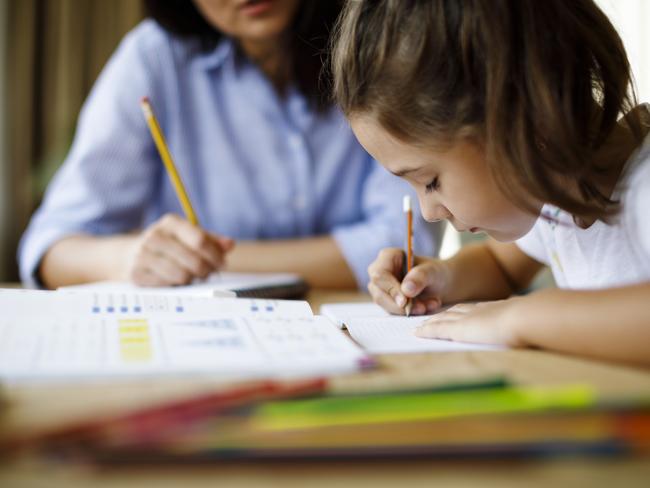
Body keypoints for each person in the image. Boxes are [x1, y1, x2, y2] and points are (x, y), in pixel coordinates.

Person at [18, 0, 437, 290]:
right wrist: (130, 259)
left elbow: (404, 243)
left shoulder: (375, 47)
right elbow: (49, 248)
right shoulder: (153, 59)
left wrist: (212, 264)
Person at [331, 0, 650, 365]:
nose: (429, 213)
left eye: (431, 181)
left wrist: (522, 317)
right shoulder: (555, 197)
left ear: (522, 115)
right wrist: (440, 277)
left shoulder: (643, 187)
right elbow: (500, 265)